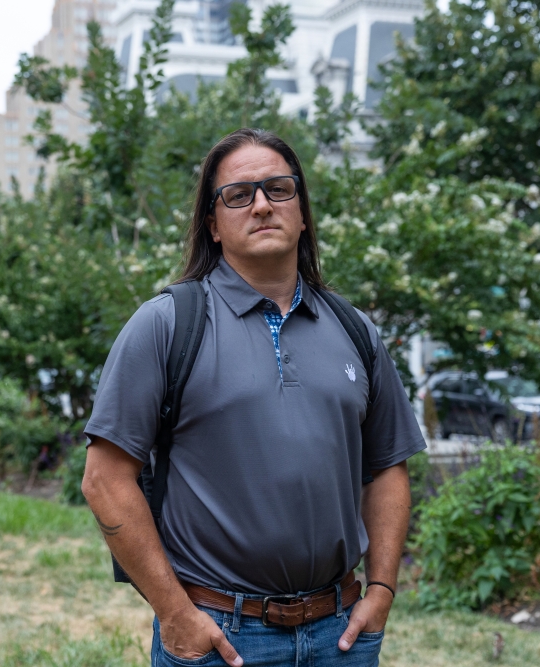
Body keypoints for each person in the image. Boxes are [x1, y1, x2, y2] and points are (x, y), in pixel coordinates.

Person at [82, 128, 425, 667]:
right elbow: (104, 479)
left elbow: (387, 468)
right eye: (239, 195)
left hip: (341, 636)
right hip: (219, 639)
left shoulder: (355, 331)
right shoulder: (166, 325)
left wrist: (381, 589)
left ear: (303, 212)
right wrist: (173, 613)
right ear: (213, 226)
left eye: (279, 189)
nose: (262, 205)